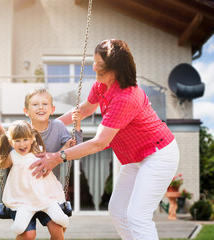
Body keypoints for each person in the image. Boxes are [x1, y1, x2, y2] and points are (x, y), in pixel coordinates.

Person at [30, 39, 180, 240]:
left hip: (158, 155)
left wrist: (57, 157)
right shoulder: (102, 86)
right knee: (117, 210)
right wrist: (48, 126)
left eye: (99, 65)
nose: (94, 67)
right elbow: (83, 110)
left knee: (138, 216)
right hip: (136, 158)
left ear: (116, 69)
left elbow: (99, 142)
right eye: (94, 62)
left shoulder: (126, 97)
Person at [0, 88, 83, 240]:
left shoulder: (58, 127)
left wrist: (78, 124)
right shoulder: (21, 131)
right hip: (23, 195)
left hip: (47, 193)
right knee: (29, 234)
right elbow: (6, 157)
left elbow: (76, 151)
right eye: (35, 104)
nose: (41, 107)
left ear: (52, 109)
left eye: (45, 104)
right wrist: (0, 138)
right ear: (26, 110)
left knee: (57, 228)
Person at [0, 120, 69, 237]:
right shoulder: (13, 156)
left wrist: (66, 147)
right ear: (11, 142)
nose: (22, 144)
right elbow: (0, 164)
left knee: (61, 221)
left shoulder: (38, 151)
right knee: (19, 228)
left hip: (45, 198)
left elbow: (53, 159)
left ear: (32, 138)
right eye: (17, 141)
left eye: (25, 139)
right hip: (24, 201)